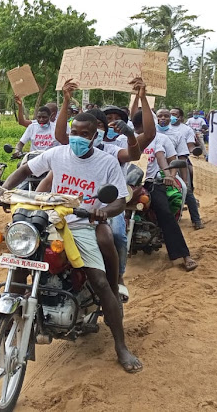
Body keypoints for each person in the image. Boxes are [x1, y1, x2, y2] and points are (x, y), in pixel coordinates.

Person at [0, 112, 142, 373]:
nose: (77, 138)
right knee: (19, 263)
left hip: (82, 225)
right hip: (52, 219)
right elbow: (26, 169)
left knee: (100, 281)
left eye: (84, 134)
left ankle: (121, 346)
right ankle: (11, 318)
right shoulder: (57, 153)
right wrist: (2, 191)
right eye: (75, 132)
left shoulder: (106, 162)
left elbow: (119, 198)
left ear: (95, 136)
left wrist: (104, 211)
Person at [54, 78, 156, 301]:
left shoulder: (114, 150)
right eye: (100, 123)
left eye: (102, 126)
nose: (99, 129)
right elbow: (60, 136)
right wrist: (65, 101)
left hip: (106, 208)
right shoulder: (70, 151)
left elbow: (146, 138)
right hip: (73, 208)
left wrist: (142, 98)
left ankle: (117, 278)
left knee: (118, 234)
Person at [132, 110, 198, 272]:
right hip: (128, 184)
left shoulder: (161, 139)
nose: (142, 128)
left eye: (145, 124)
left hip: (151, 182)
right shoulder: (126, 139)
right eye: (139, 125)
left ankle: (184, 255)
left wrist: (170, 176)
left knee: (165, 213)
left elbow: (169, 160)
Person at [158, 108, 204, 229]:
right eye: (160, 116)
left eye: (167, 116)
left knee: (186, 189)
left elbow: (182, 157)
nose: (163, 118)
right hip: (153, 170)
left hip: (174, 168)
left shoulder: (180, 133)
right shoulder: (151, 132)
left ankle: (196, 220)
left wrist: (183, 179)